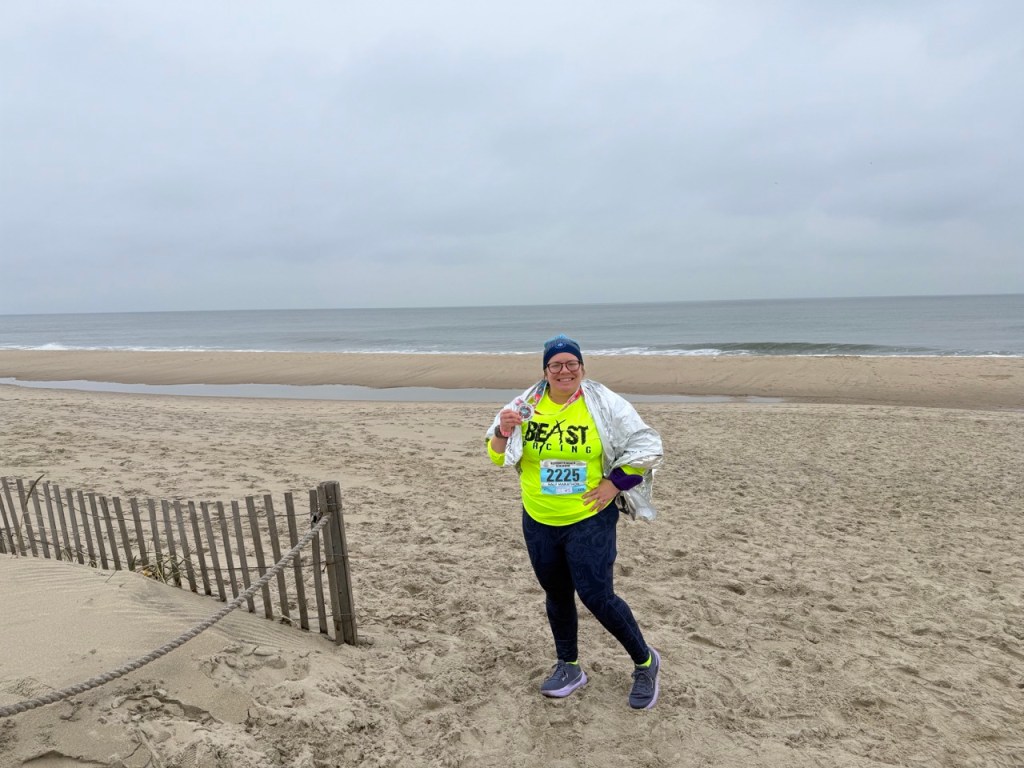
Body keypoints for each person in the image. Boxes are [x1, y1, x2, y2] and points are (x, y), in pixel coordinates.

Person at [486, 334, 664, 709]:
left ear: (582, 368)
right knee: (556, 593)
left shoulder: (605, 404)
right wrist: (503, 430)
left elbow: (649, 448)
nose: (564, 370)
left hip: (588, 519)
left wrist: (613, 484)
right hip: (538, 518)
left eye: (571, 364)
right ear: (546, 371)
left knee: (597, 596)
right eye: (556, 365)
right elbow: (495, 454)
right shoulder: (525, 405)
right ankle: (569, 665)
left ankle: (645, 662)